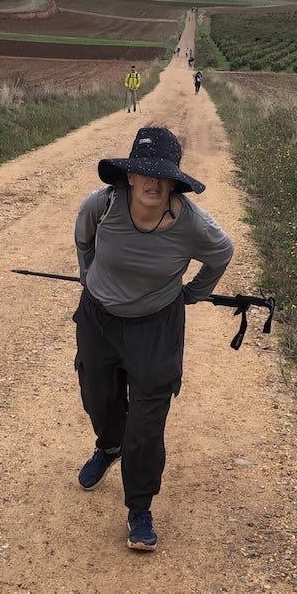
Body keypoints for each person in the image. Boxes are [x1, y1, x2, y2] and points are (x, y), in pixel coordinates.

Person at [73, 126, 234, 551]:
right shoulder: (103, 204)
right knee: (98, 398)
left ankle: (139, 507)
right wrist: (89, 279)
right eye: (144, 172)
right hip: (99, 319)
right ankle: (109, 447)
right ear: (128, 175)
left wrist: (192, 294)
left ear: (174, 181)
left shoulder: (192, 224)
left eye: (162, 175)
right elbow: (83, 238)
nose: (153, 182)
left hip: (156, 326)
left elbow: (222, 253)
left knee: (146, 422)